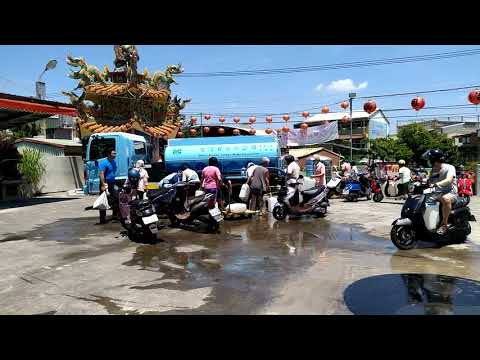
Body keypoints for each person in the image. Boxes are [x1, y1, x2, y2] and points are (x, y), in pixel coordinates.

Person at [423, 149, 457, 235]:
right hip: (438, 193)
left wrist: (437, 184)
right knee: (422, 199)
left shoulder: (450, 167)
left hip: (450, 192)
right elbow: (430, 182)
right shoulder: (433, 170)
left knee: (445, 199)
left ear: (435, 160)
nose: (429, 161)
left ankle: (444, 224)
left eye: (430, 159)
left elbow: (449, 180)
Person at [98, 148, 118, 224]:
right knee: (103, 201)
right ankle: (102, 219)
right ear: (109, 154)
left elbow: (113, 172)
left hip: (112, 183)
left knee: (116, 198)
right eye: (113, 153)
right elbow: (101, 174)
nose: (115, 155)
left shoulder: (113, 162)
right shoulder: (104, 163)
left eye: (115, 153)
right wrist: (103, 184)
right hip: (105, 183)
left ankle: (114, 216)